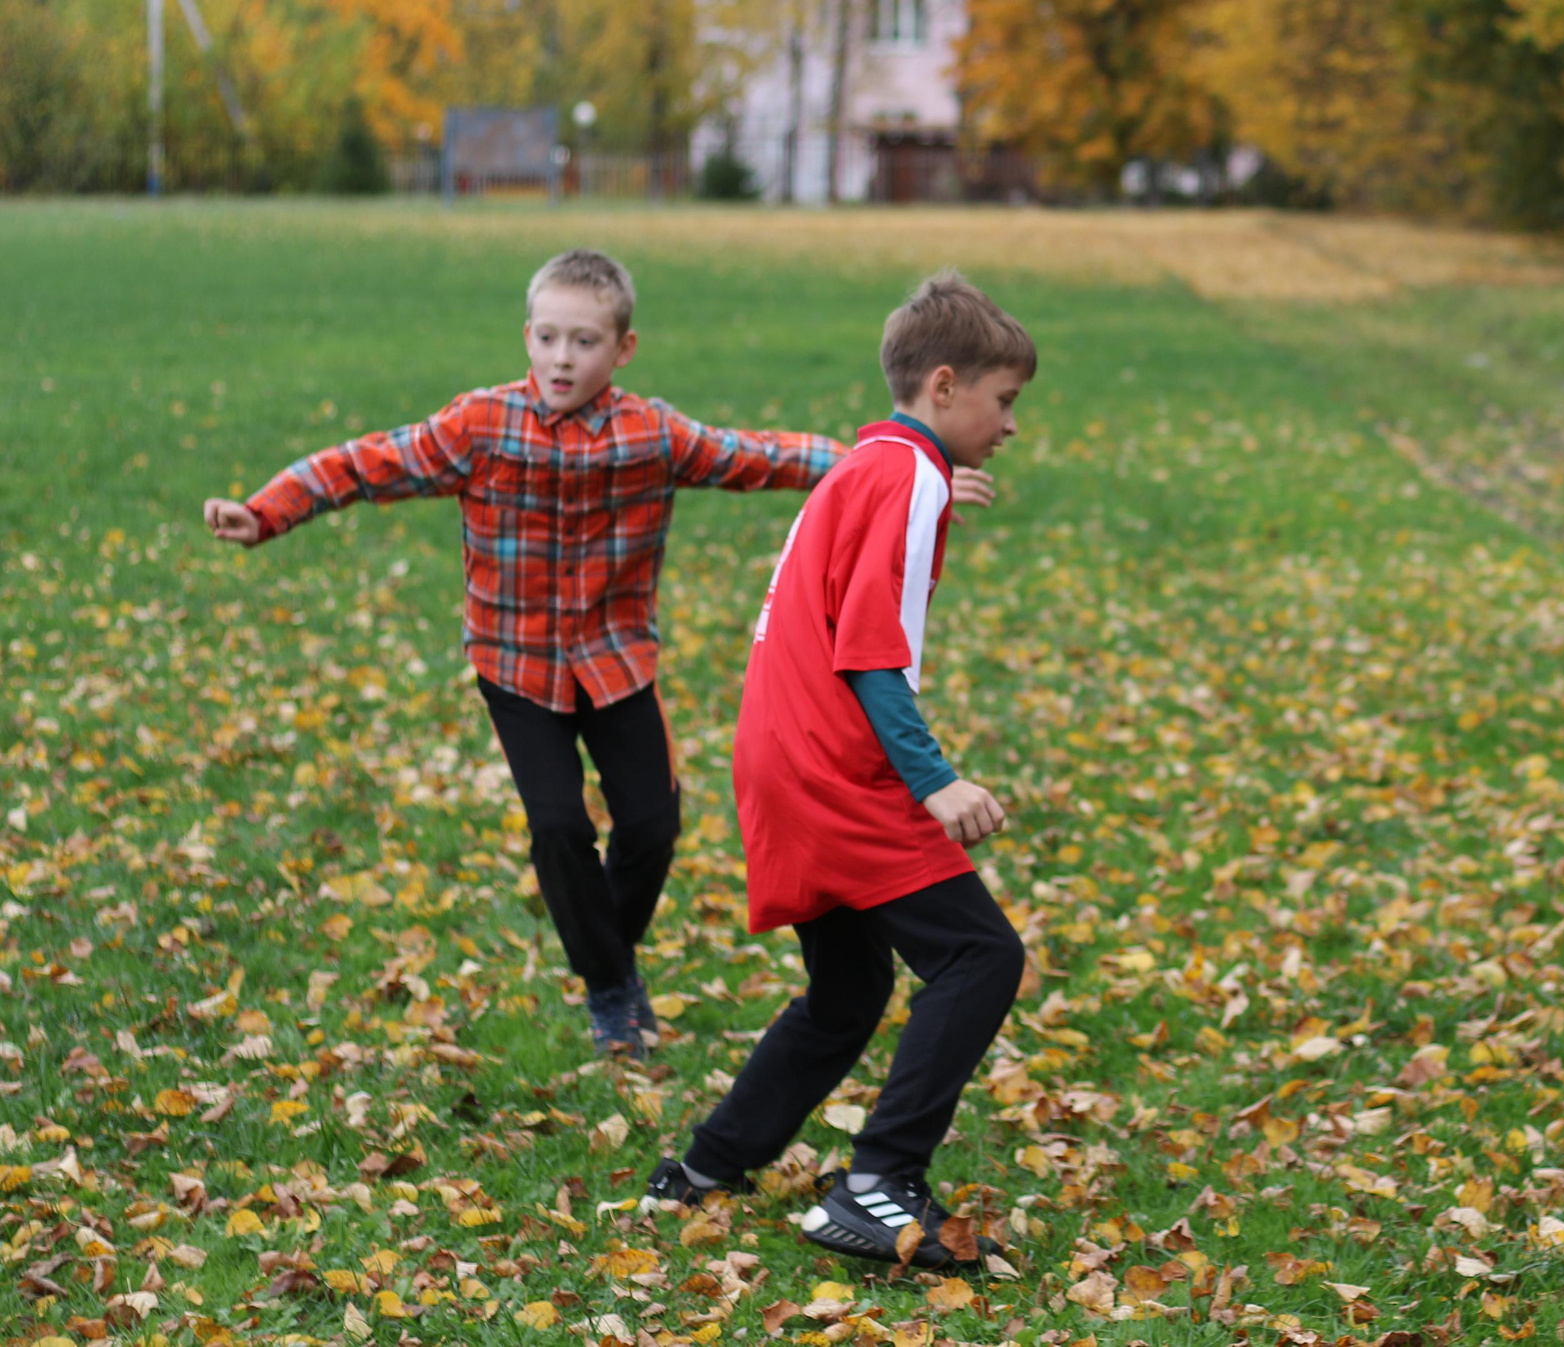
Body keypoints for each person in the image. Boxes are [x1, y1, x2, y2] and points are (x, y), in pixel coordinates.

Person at [201, 248, 988, 1055]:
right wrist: (268, 511)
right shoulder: (480, 425)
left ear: (623, 349)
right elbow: (365, 463)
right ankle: (611, 984)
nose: (561, 359)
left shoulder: (651, 433)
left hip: (616, 660)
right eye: (547, 338)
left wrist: (907, 469)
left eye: (583, 342)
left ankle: (604, 950)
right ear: (527, 337)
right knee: (558, 827)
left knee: (652, 824)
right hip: (517, 664)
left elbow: (764, 456)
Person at [645, 270, 1032, 1272]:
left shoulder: (880, 468)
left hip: (777, 754)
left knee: (848, 989)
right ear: (944, 386)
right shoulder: (905, 480)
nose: (1012, 423)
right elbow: (870, 652)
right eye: (1005, 400)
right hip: (833, 765)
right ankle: (876, 1182)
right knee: (980, 956)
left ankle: (706, 1166)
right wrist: (935, 778)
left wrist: (944, 481)